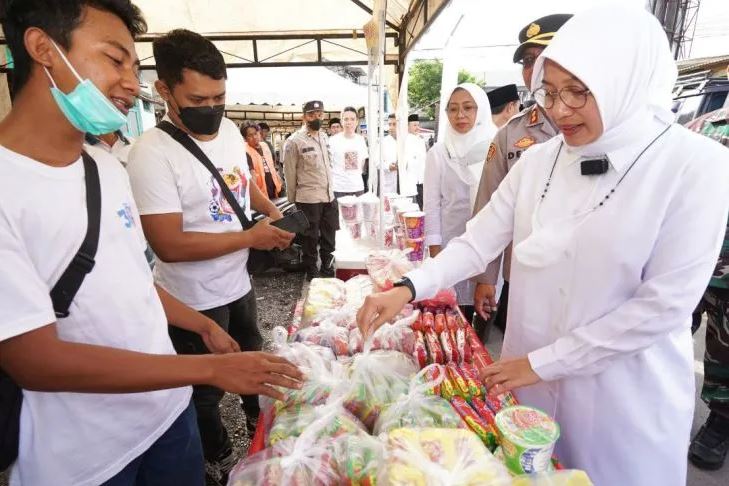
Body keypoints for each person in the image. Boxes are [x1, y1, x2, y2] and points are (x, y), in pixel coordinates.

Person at [356, 5, 729, 486]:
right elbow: (477, 241)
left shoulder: (695, 165)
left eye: (579, 92)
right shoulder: (540, 160)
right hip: (527, 387)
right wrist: (407, 286)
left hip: (622, 400)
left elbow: (663, 307)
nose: (559, 110)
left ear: (627, 81)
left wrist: (541, 364)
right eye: (550, 93)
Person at [0, 2, 302, 486]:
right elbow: (37, 362)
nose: (129, 83)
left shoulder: (102, 167)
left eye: (134, 67)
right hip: (87, 460)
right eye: (115, 60)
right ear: (43, 49)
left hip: (168, 420)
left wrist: (200, 324)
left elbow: (131, 281)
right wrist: (208, 370)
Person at [125, 29, 294, 484]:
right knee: (202, 391)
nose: (213, 107)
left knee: (253, 362)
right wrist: (250, 240)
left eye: (220, 96)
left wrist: (271, 213)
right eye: (199, 97)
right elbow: (169, 245)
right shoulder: (149, 155)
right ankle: (218, 456)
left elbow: (239, 182)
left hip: (238, 285)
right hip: (192, 298)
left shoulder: (232, 129)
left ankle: (262, 433)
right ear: (165, 90)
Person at [471, 14, 571, 337]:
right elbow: (488, 208)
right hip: (524, 278)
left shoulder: (604, 129)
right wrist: (486, 277)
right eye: (528, 61)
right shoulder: (509, 135)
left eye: (544, 55)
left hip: (581, 283)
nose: (535, 68)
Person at [423, 83, 497, 321]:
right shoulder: (439, 153)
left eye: (468, 107)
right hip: (450, 243)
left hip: (489, 244)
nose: (460, 115)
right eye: (453, 109)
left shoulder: (494, 148)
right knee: (453, 314)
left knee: (486, 307)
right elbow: (431, 204)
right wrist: (436, 252)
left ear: (481, 110)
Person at [685, 106, 729, 470]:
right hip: (691, 262)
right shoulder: (707, 127)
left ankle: (721, 419)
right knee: (668, 339)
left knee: (725, 351)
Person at [283, 100, 338, 281]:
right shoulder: (294, 141)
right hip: (308, 199)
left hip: (328, 196)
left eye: (320, 114)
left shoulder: (324, 137)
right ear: (304, 116)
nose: (317, 118)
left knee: (329, 235)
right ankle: (311, 271)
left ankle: (328, 268)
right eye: (312, 114)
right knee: (310, 238)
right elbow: (289, 172)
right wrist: (293, 199)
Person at [329, 106, 368, 199]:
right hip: (338, 188)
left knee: (358, 214)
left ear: (357, 121)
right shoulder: (333, 140)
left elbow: (362, 162)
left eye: (352, 119)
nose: (349, 122)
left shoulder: (360, 140)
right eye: (346, 119)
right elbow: (329, 164)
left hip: (357, 187)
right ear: (341, 121)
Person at [242, 122, 283, 200]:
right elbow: (251, 173)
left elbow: (272, 165)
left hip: (274, 188)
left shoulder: (265, 145)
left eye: (255, 133)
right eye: (250, 135)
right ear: (245, 138)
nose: (254, 137)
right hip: (259, 192)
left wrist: (278, 180)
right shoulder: (245, 151)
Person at [406, 113, 428, 208]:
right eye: (414, 125)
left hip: (421, 178)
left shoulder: (421, 140)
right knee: (413, 206)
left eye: (418, 125)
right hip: (410, 178)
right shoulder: (405, 140)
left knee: (422, 205)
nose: (417, 127)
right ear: (408, 126)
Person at [380, 114, 401, 195]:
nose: (391, 127)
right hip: (390, 181)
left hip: (405, 182)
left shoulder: (406, 140)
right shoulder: (383, 142)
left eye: (394, 124)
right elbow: (377, 162)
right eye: (389, 124)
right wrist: (388, 166)